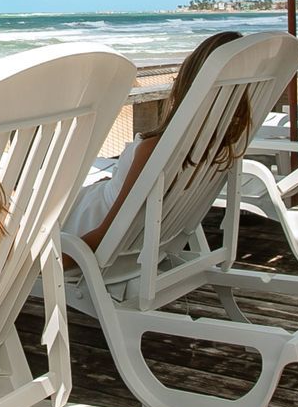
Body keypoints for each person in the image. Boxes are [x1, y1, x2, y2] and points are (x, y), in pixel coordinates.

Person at [61, 30, 246, 250]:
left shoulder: (154, 150)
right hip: (113, 216)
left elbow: (102, 237)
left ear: (185, 84)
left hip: (78, 227)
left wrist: (40, 265)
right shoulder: (221, 146)